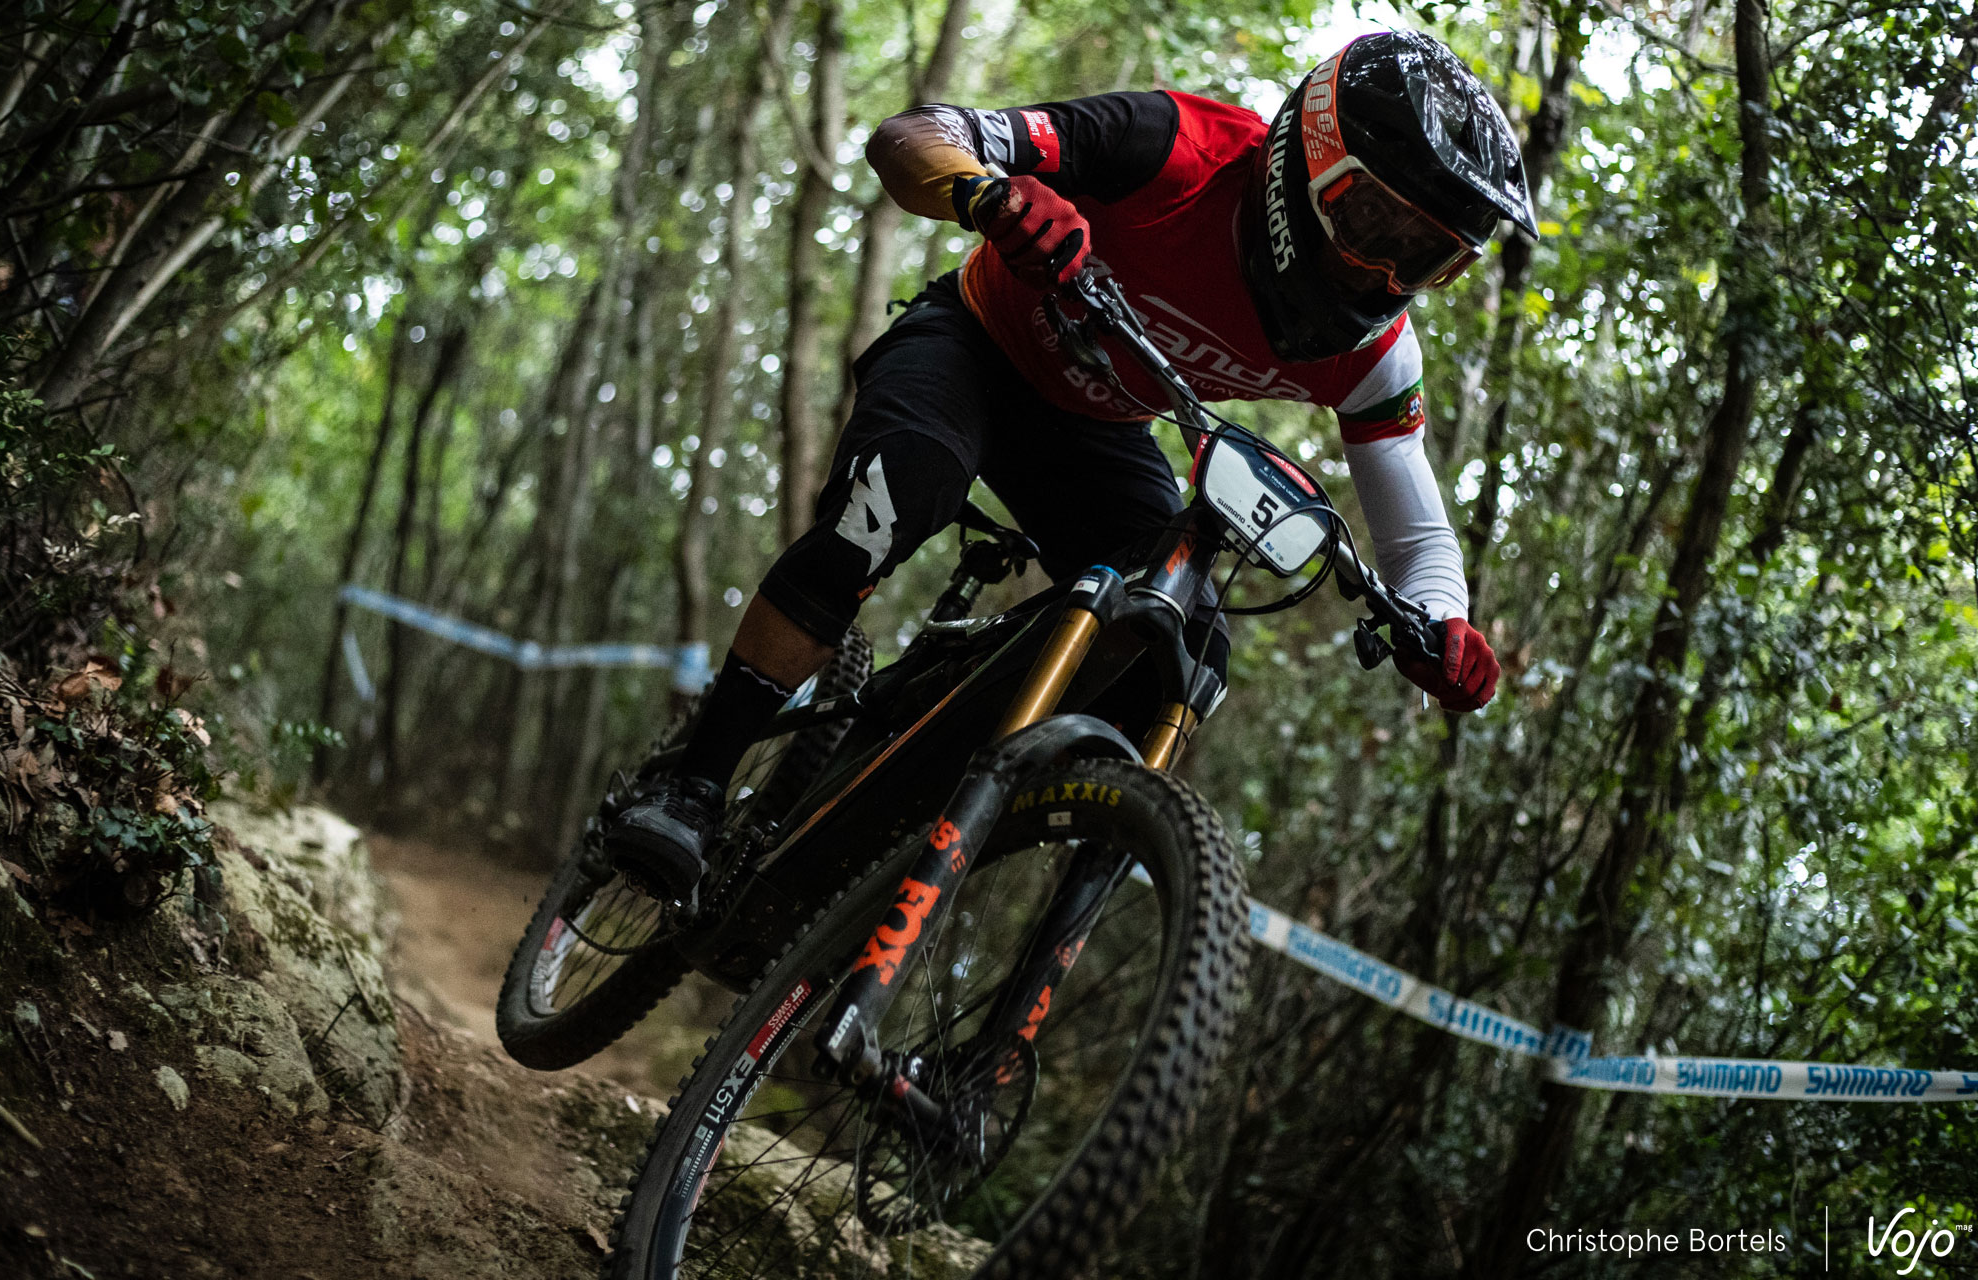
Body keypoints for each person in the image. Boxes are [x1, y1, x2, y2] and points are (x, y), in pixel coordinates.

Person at [600, 29, 1526, 902]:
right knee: (893, 496)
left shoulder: (1375, 357)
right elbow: (911, 136)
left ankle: (918, 854)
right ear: (1312, 161)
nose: (1385, 276)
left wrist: (1441, 622)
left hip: (1096, 428)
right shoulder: (1175, 149)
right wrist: (988, 197)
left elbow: (1416, 533)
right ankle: (692, 785)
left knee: (1184, 651)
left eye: (1426, 258)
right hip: (975, 343)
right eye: (1375, 224)